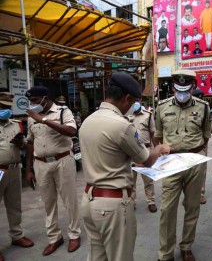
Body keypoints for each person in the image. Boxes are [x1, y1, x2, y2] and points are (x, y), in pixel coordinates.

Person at [79, 73, 170, 261]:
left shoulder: (88, 120)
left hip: (89, 199)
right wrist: (160, 147)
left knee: (97, 255)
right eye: (133, 102)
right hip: (113, 205)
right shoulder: (121, 125)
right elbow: (147, 160)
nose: (131, 107)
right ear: (127, 98)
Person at [154, 70, 211, 261]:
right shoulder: (161, 107)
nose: (182, 93)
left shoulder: (204, 107)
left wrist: (199, 155)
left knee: (192, 207)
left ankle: (186, 246)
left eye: (186, 89)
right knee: (167, 209)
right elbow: (158, 137)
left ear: (193, 87)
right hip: (171, 162)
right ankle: (165, 253)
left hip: (195, 161)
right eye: (178, 89)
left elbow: (205, 136)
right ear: (172, 88)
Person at [25, 86, 81, 256]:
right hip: (40, 164)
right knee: (48, 203)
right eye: (31, 101)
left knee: (69, 200)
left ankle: (74, 234)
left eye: (35, 101)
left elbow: (71, 131)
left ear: (45, 98)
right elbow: (30, 142)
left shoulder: (63, 112)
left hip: (62, 160)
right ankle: (54, 237)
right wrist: (28, 169)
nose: (32, 104)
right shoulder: (31, 118)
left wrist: (42, 120)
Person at [0, 93, 34, 261]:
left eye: (8, 107)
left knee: (15, 205)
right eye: (2, 107)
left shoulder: (16, 124)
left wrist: (20, 143)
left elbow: (25, 146)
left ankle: (17, 235)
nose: (5, 110)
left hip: (14, 169)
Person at [127, 100, 158, 213]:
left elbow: (153, 134)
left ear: (139, 101)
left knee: (148, 179)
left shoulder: (148, 115)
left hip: (145, 151)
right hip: (130, 152)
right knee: (130, 180)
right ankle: (131, 202)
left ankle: (151, 202)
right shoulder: (126, 115)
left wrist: (156, 150)